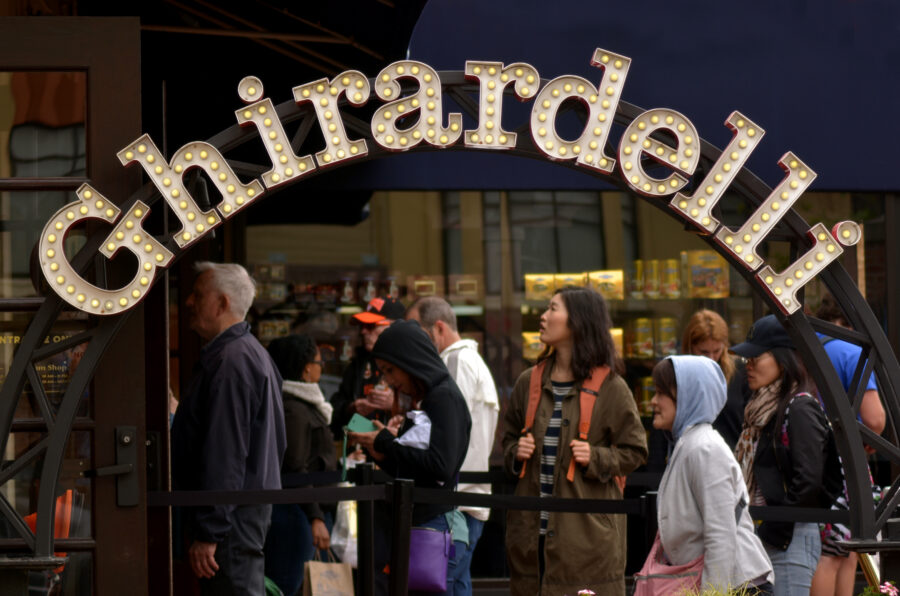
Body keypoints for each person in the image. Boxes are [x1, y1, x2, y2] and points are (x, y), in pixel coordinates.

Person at [502, 287, 648, 596]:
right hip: (530, 542)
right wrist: (516, 452)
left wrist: (595, 457)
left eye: (552, 309)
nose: (543, 316)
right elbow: (508, 439)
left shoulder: (612, 387)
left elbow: (635, 451)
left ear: (577, 322)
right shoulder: (529, 381)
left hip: (586, 547)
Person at [171, 262, 287, 596]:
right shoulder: (248, 353)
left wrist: (210, 531)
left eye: (198, 295)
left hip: (231, 519)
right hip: (238, 513)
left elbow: (227, 450)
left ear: (221, 304)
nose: (189, 302)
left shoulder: (232, 360)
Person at [348, 319, 472, 595]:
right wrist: (379, 448)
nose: (390, 380)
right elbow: (415, 470)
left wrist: (386, 443)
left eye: (391, 370)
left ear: (410, 360)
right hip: (428, 523)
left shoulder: (443, 397)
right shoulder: (434, 397)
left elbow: (441, 466)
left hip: (435, 525)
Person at [731, 314, 835, 596]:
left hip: (789, 537)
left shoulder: (799, 408)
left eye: (756, 357)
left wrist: (772, 526)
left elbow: (808, 482)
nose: (748, 365)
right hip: (761, 535)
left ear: (783, 358)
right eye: (746, 359)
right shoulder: (758, 410)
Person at [650, 355, 773, 593]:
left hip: (736, 586)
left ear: (689, 395)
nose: (654, 401)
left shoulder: (704, 447)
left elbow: (721, 535)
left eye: (661, 393)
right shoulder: (688, 443)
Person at [407, 296, 500, 596]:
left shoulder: (454, 362)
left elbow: (446, 433)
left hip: (456, 502)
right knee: (457, 586)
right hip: (469, 498)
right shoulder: (472, 360)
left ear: (438, 328)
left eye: (417, 331)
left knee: (439, 587)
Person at [811, 293, 886, 596]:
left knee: (837, 548)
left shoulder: (806, 347)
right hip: (844, 463)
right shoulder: (849, 351)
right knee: (839, 552)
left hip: (809, 458)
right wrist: (868, 443)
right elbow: (875, 419)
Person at [263, 334, 337, 596]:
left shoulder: (304, 404)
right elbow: (295, 467)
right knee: (287, 584)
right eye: (319, 361)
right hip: (297, 514)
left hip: (303, 510)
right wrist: (315, 516)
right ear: (306, 368)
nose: (322, 366)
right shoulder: (293, 409)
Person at [329, 296, 406, 439]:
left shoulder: (411, 362)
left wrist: (397, 405)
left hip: (398, 451)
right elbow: (335, 409)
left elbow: (433, 412)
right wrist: (352, 408)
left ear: (394, 326)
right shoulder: (358, 365)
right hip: (362, 452)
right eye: (361, 326)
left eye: (370, 326)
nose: (363, 331)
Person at [681, 309, 752, 450]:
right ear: (691, 346)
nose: (711, 358)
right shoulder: (679, 373)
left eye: (717, 351)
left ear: (725, 346)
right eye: (704, 352)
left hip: (733, 458)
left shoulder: (740, 372)